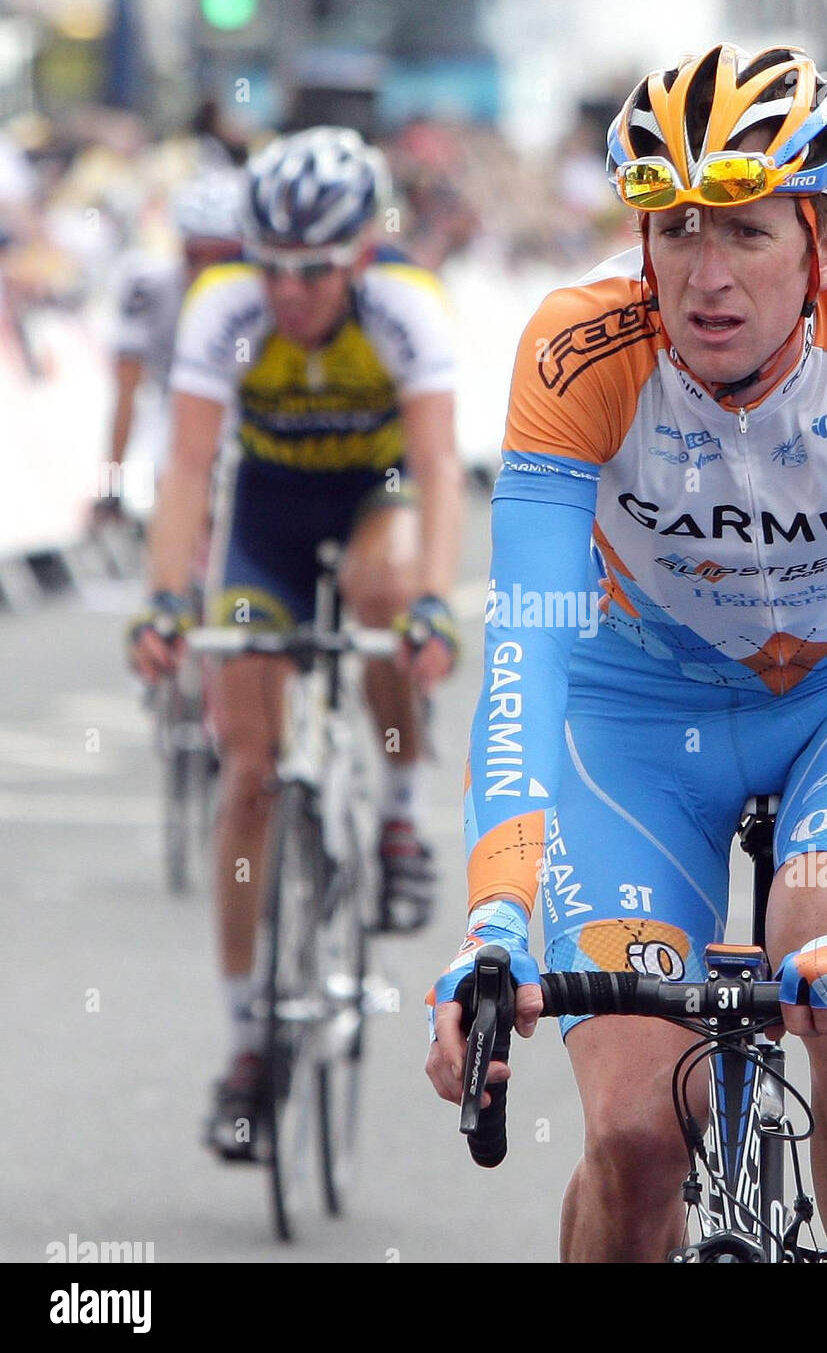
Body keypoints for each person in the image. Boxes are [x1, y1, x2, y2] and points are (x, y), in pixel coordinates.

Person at [426, 44, 827, 1262]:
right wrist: (494, 919)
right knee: (636, 1136)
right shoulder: (576, 347)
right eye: (674, 228)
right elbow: (529, 640)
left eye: (744, 229)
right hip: (636, 713)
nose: (705, 273)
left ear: (826, 240)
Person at [128, 126, 462, 1157]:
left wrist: (434, 605)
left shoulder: (407, 306)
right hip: (268, 513)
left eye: (312, 272)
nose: (288, 292)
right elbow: (188, 471)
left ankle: (401, 809)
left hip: (378, 493)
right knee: (246, 770)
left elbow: (440, 467)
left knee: (383, 592)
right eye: (270, 267)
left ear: (360, 254)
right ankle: (245, 1048)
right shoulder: (223, 307)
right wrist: (165, 600)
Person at [96, 168, 246, 524]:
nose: (207, 270)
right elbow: (126, 391)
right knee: (173, 480)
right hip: (177, 410)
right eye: (195, 255)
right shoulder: (149, 286)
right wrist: (110, 487)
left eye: (224, 257)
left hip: (248, 410)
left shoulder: (272, 289)